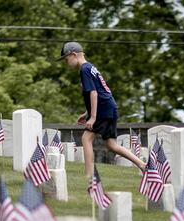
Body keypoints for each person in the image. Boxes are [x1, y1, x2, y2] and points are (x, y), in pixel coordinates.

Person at [58, 41, 145, 179]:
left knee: (86, 138)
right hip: (109, 106)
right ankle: (142, 165)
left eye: (66, 59)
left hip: (103, 108)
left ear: (74, 55)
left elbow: (93, 93)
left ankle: (89, 175)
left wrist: (92, 117)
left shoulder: (84, 70)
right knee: (112, 145)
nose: (66, 63)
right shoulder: (91, 67)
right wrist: (87, 113)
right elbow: (99, 90)